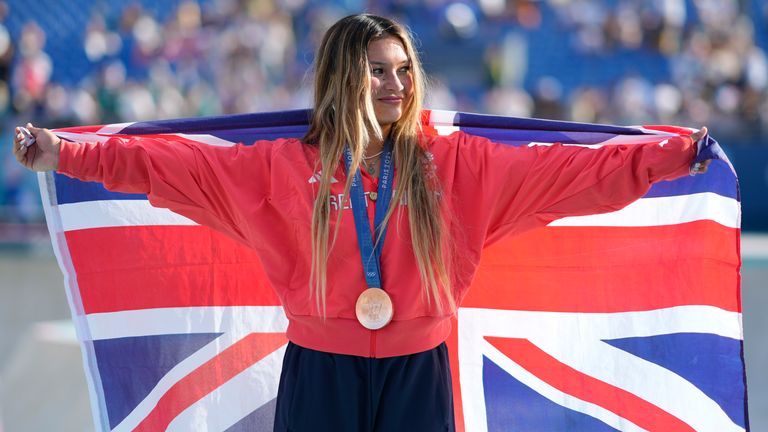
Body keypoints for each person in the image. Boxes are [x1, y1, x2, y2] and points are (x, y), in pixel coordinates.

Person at [12, 14, 708, 432]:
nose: (396, 85)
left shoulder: (459, 166)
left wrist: (670, 156)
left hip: (419, 374)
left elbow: (576, 177)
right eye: (377, 71)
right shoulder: (278, 170)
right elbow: (165, 169)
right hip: (320, 374)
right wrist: (64, 153)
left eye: (403, 70)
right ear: (343, 76)